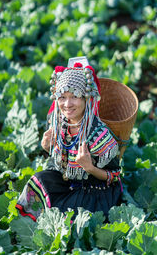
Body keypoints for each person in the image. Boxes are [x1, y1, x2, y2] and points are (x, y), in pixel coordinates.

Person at [15, 62, 122, 222]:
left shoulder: (98, 134)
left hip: (94, 189)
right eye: (62, 97)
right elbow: (60, 164)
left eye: (74, 97)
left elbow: (114, 177)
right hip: (67, 181)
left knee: (74, 216)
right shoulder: (57, 121)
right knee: (37, 182)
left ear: (86, 99)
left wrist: (89, 167)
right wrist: (48, 148)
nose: (67, 104)